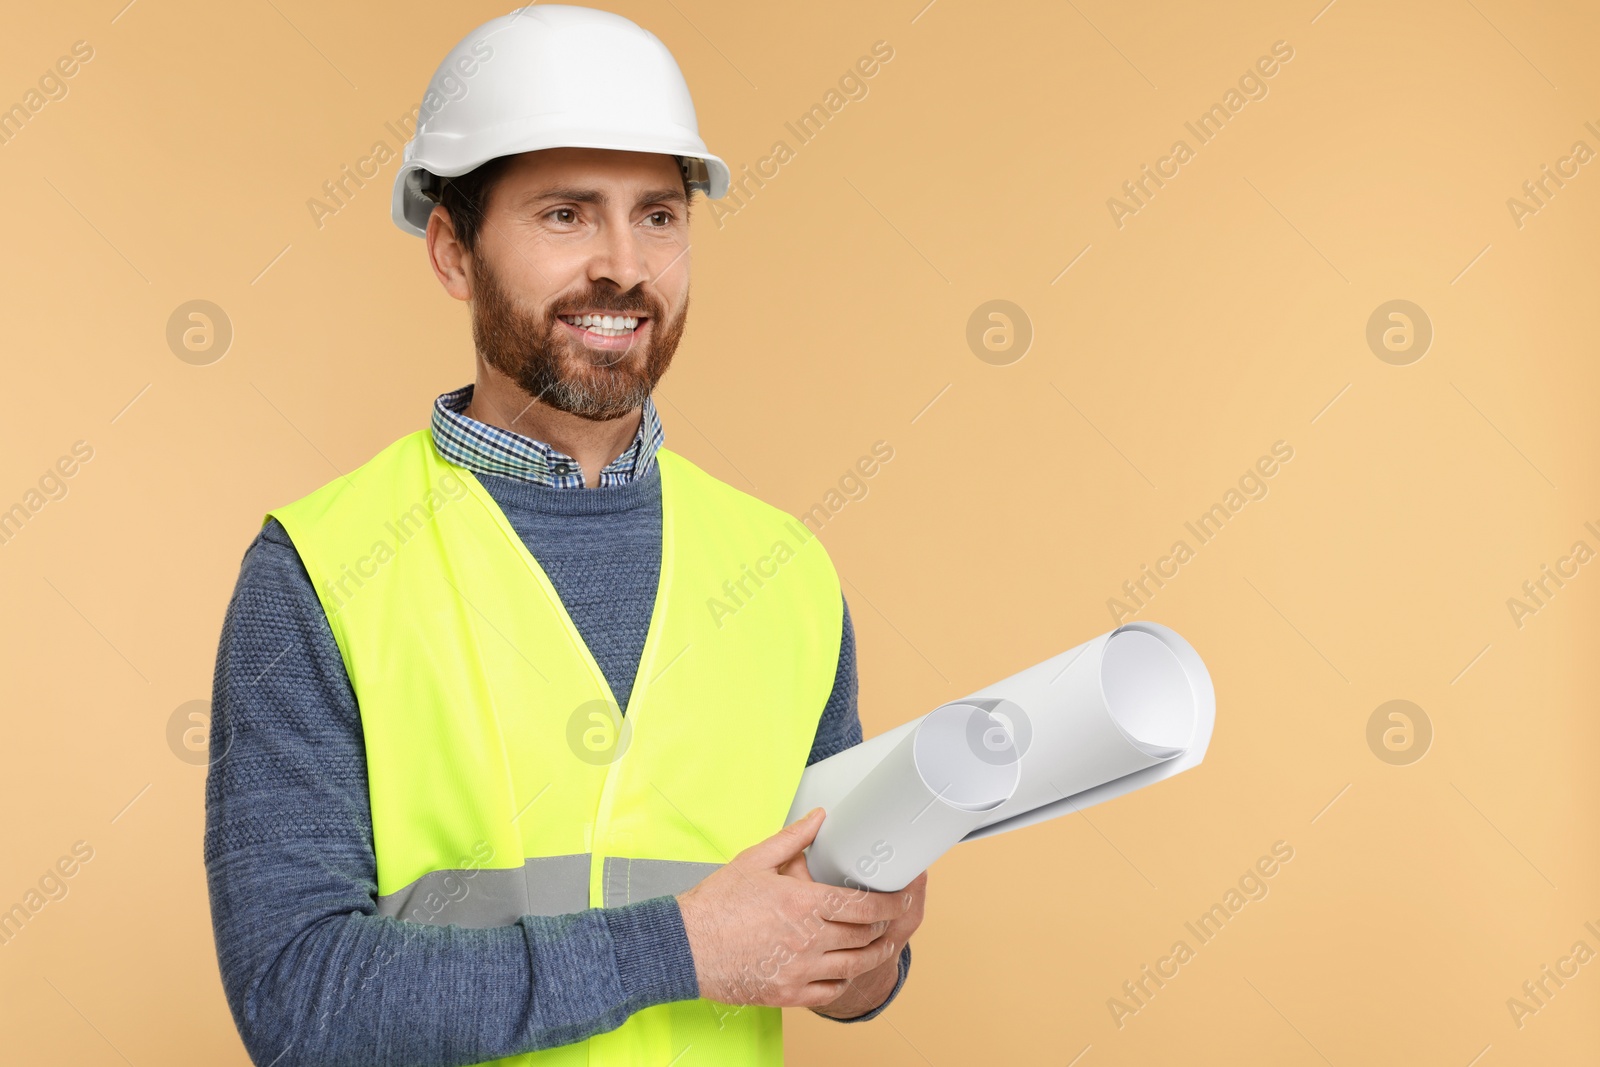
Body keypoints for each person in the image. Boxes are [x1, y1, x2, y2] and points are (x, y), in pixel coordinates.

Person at [203, 6, 926, 1064]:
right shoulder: (318, 572)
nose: (623, 266)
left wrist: (867, 961)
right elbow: (298, 999)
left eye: (660, 216)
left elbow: (817, 927)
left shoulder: (784, 572)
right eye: (564, 215)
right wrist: (676, 948)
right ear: (453, 251)